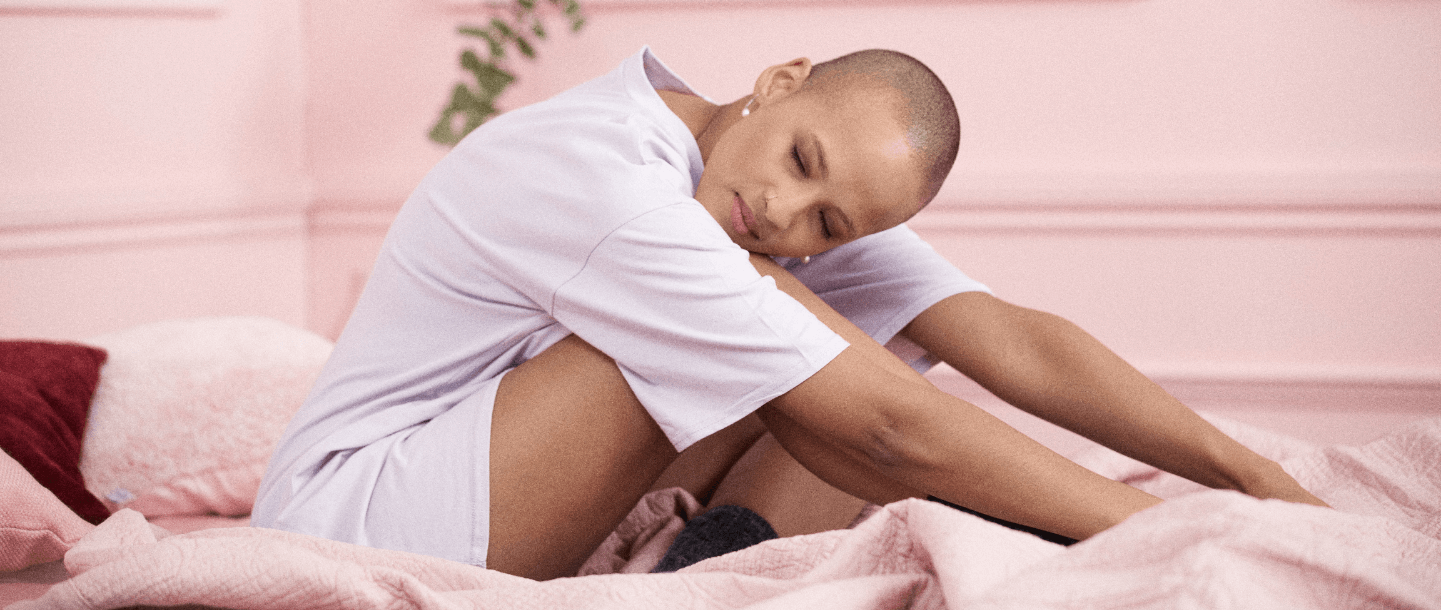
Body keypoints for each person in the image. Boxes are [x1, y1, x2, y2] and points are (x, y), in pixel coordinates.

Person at [252, 46, 1326, 581]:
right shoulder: (606, 174)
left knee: (851, 343)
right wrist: (1157, 526)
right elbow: (884, 431)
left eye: (830, 218)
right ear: (778, 81)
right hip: (351, 523)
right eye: (802, 161)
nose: (782, 212)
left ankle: (711, 567)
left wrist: (1250, 476)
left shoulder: (757, 207)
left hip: (489, 480)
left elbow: (1005, 334)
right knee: (803, 353)